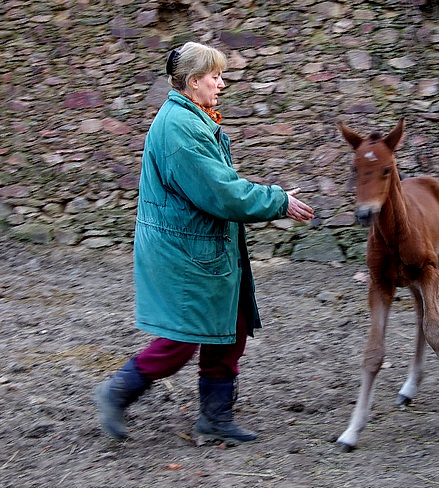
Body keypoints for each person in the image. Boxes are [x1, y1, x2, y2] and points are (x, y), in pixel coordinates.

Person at [95, 42, 314, 445]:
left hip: (201, 246)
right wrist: (278, 200)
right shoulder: (180, 129)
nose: (221, 83)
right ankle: (117, 391)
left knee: (233, 325)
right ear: (194, 82)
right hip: (183, 250)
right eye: (215, 76)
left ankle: (214, 419)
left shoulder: (193, 119)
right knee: (181, 337)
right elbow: (221, 192)